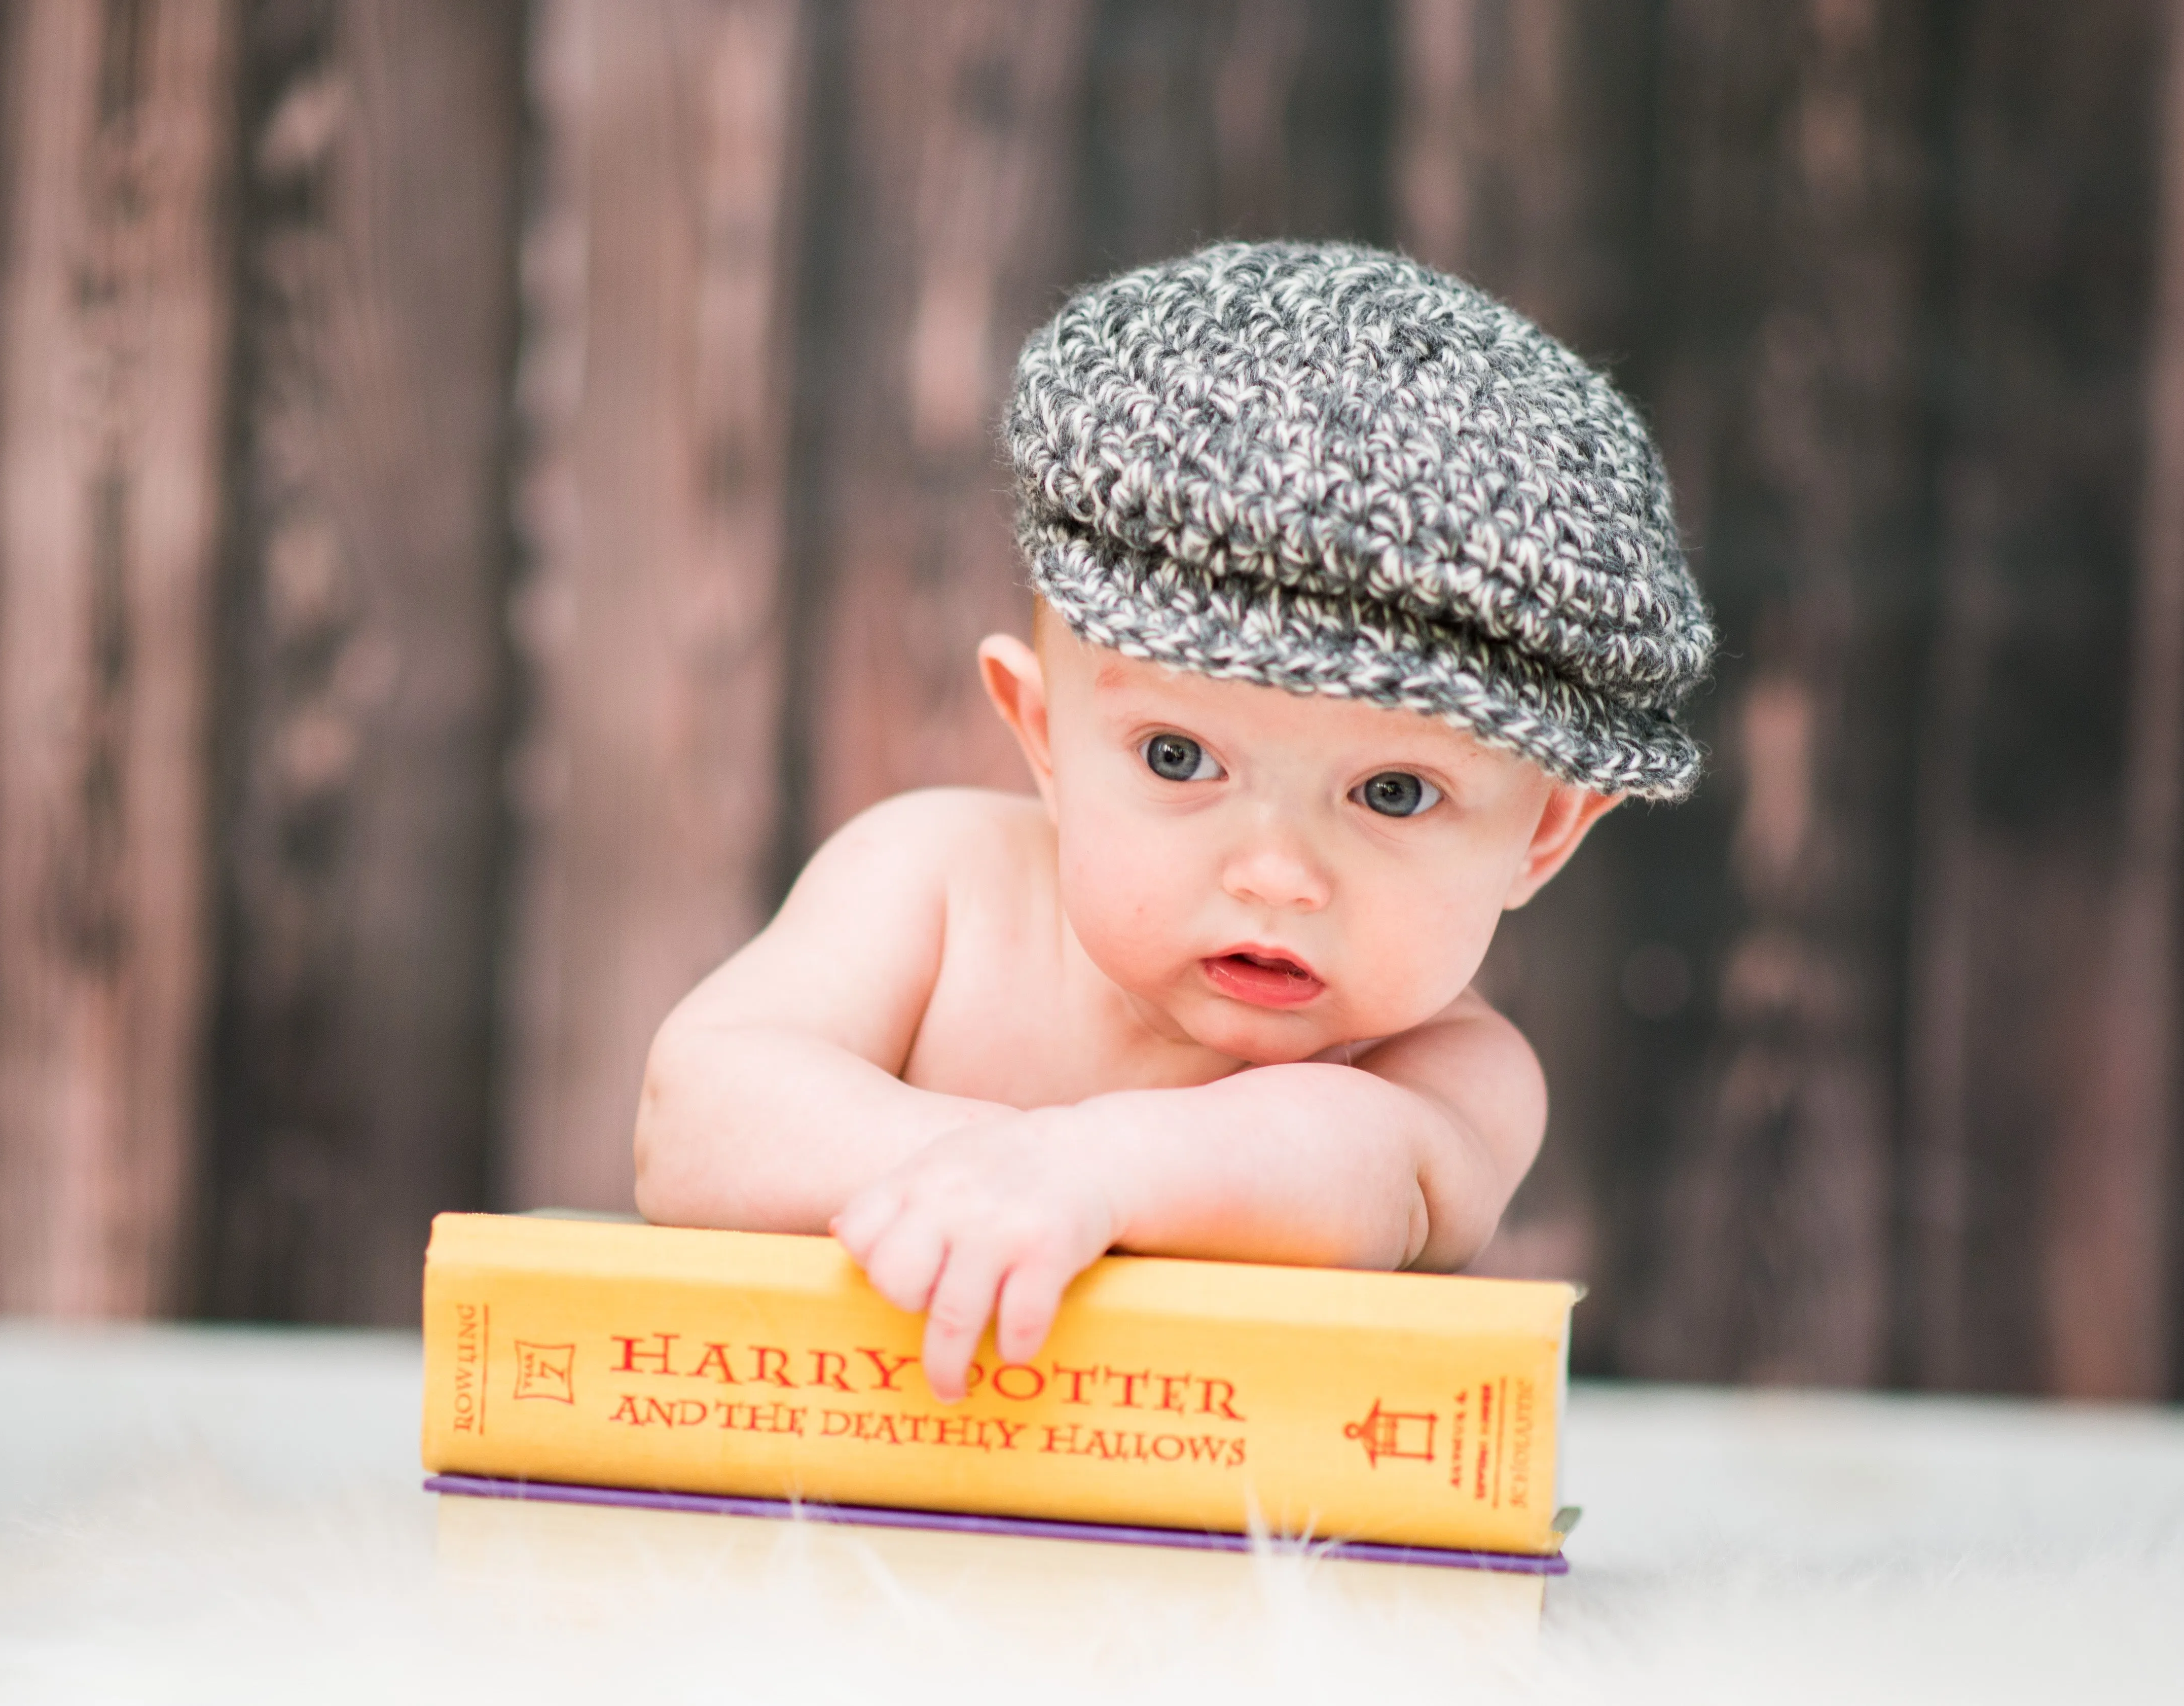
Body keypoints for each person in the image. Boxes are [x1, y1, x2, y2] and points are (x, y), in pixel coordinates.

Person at [634, 241, 1714, 1402]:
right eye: (1178, 756)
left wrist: (1088, 1168)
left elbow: (1345, 1179)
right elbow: (694, 1115)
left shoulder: (1452, 1073)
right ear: (1042, 736)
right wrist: (999, 1181)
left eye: (1393, 791)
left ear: (1543, 835)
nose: (1277, 872)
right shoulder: (933, 882)